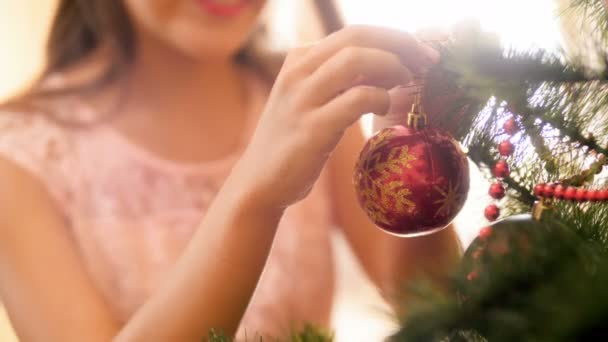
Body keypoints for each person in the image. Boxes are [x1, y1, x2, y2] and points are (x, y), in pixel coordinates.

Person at [0, 0, 461, 340]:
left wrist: (412, 157)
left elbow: (436, 308)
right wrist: (255, 197)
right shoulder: (18, 156)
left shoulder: (301, 97)